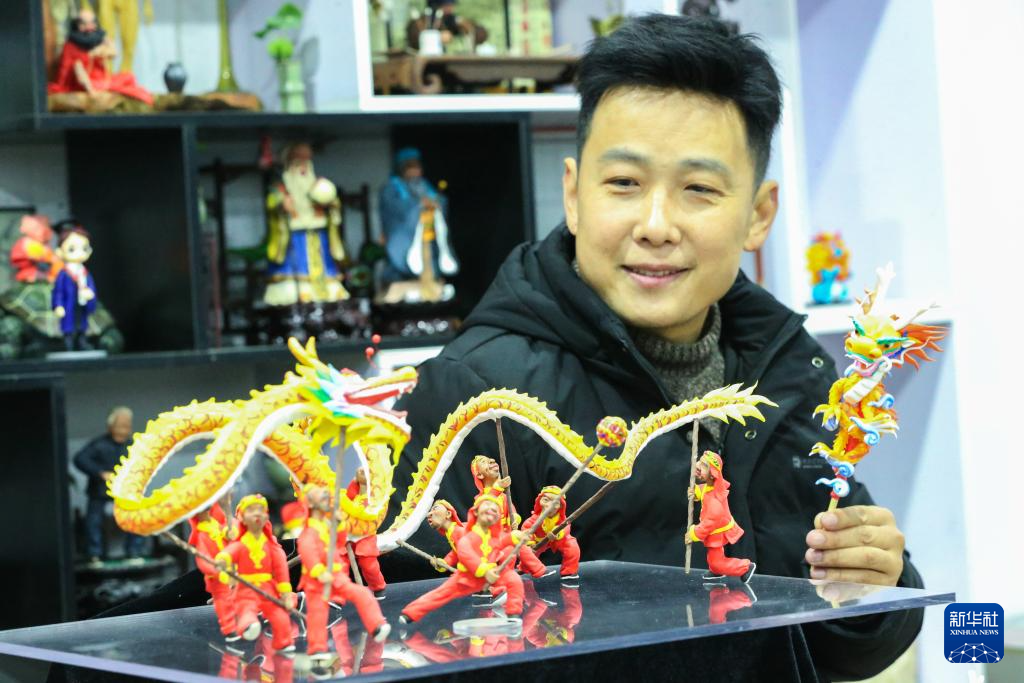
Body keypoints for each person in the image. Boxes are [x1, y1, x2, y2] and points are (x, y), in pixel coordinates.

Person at [388, 14, 922, 681]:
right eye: (624, 183)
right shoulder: (477, 393)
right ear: (573, 195)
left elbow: (839, 645)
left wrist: (876, 588)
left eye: (699, 189)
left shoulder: (789, 371)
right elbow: (403, 642)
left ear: (758, 214)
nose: (656, 225)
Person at [297, 484, 389, 664]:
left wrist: (339, 526)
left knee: (362, 593)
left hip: (336, 576)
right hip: (317, 581)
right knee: (318, 614)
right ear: (311, 504)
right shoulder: (309, 532)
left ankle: (376, 625)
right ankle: (317, 649)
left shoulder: (327, 525)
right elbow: (308, 553)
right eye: (321, 497)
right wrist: (319, 571)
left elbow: (339, 543)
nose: (326, 498)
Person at [399, 496, 524, 623]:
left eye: (495, 509)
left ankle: (513, 612)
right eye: (487, 506)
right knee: (442, 593)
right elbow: (463, 552)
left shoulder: (484, 534)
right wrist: (445, 563)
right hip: (468, 576)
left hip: (488, 574)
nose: (491, 509)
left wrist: (513, 537)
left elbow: (501, 542)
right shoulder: (465, 534)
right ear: (476, 512)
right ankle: (410, 613)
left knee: (514, 580)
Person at [263, 143, 348, 306]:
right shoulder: (281, 187)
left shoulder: (318, 184)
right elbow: (272, 202)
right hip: (294, 236)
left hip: (318, 234)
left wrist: (329, 202)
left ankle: (326, 295)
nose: (303, 166)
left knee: (323, 266)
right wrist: (281, 204)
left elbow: (334, 203)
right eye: (298, 161)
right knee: (296, 266)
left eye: (306, 161)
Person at [216, 494, 296, 655]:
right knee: (246, 613)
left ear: (266, 516)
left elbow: (281, 571)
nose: (257, 513)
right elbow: (227, 555)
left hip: (268, 589)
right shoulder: (240, 544)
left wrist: (286, 593)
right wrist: (222, 561)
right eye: (251, 510)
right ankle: (247, 628)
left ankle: (283, 643)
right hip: (246, 589)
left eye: (260, 510)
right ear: (242, 519)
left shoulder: (271, 546)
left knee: (280, 617)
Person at [73, 406, 146, 564]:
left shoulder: (133, 445)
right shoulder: (99, 444)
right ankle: (94, 554)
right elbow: (80, 459)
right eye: (121, 425)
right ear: (111, 426)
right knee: (94, 520)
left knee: (136, 516)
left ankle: (134, 551)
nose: (125, 429)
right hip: (100, 490)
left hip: (125, 490)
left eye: (127, 425)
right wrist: (100, 473)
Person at [47, 8, 153, 104]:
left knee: (129, 76)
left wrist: (101, 51)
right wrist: (92, 92)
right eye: (83, 24)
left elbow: (113, 52)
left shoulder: (100, 39)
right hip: (80, 84)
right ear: (77, 25)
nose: (88, 27)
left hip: (101, 80)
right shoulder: (71, 45)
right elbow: (76, 69)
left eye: (91, 23)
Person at [685, 451, 754, 582]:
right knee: (713, 557)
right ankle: (716, 570)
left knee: (716, 561)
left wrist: (694, 533)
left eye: (703, 465)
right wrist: (697, 492)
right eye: (700, 461)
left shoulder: (715, 502)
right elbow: (705, 490)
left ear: (712, 475)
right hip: (715, 529)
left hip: (717, 531)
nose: (698, 465)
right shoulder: (710, 486)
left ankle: (744, 567)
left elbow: (709, 523)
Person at [51, 222, 97, 351]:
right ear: (59, 252)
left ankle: (82, 343)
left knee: (82, 325)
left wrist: (90, 295)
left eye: (85, 248)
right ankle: (68, 344)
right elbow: (58, 291)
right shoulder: (64, 274)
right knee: (68, 326)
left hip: (82, 305)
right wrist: (58, 305)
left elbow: (91, 287)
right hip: (68, 305)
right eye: (72, 249)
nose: (79, 253)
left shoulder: (85, 273)